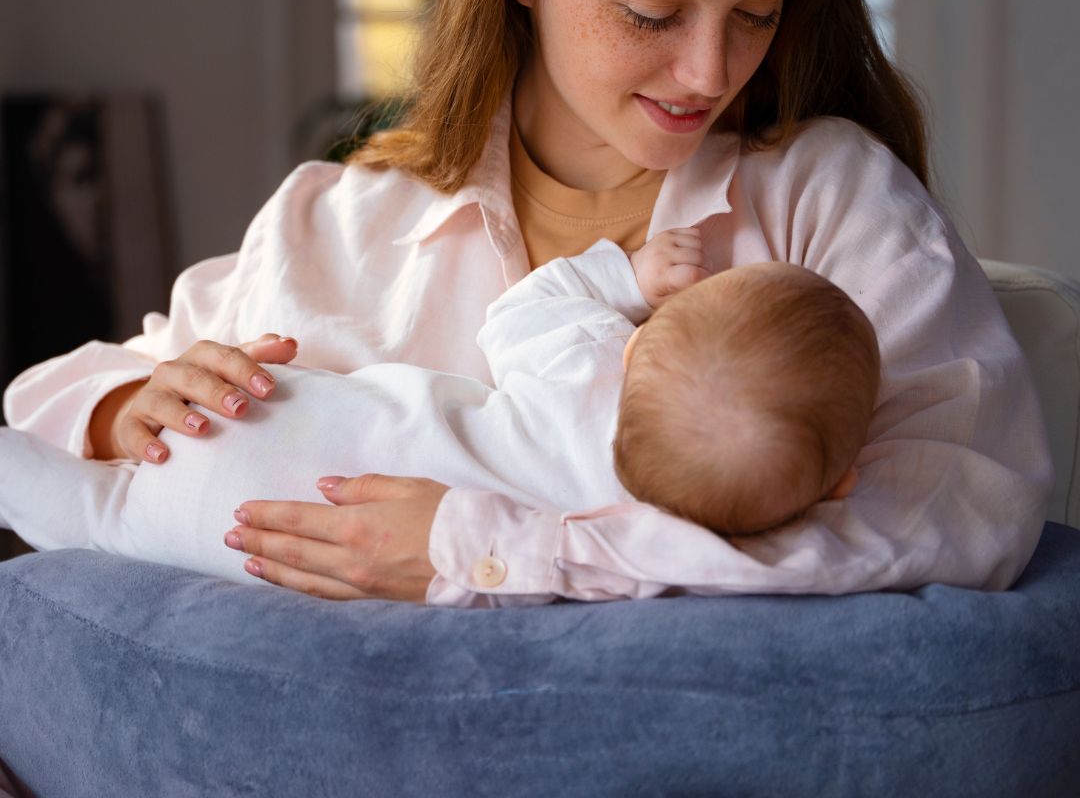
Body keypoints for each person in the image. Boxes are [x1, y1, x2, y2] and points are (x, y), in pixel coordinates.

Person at [2, 0, 1051, 606]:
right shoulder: (343, 221)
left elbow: (963, 511)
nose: (707, 69)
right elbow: (58, 396)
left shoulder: (830, 200)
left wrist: (497, 552)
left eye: (757, 15)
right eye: (651, 12)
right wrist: (115, 411)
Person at [0, 230, 874, 581]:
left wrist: (626, 278)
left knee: (85, 503)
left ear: (642, 343)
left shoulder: (590, 363)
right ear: (836, 486)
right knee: (96, 512)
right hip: (232, 543)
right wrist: (120, 405)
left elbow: (521, 312)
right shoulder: (670, 551)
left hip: (260, 412)